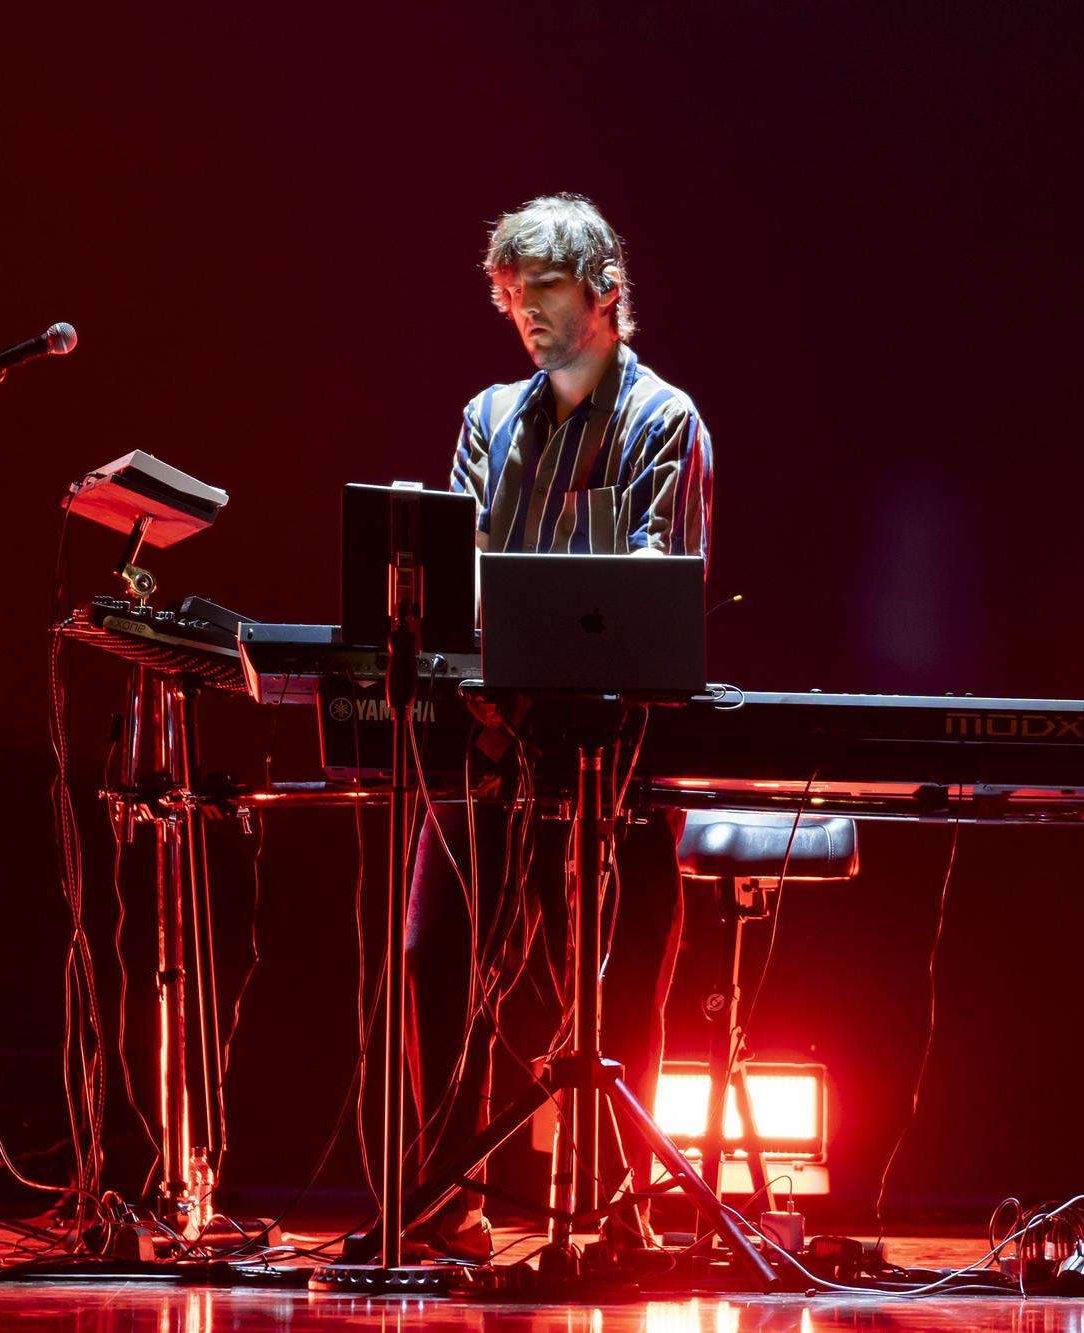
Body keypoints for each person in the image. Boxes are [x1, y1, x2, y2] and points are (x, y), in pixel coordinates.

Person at [402, 194, 713, 1261]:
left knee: (612, 977)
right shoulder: (487, 417)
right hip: (492, 737)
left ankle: (615, 1202)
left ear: (602, 295)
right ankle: (451, 1201)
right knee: (430, 948)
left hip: (606, 752)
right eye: (506, 294)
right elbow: (459, 580)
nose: (520, 313)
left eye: (539, 290)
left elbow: (650, 588)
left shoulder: (663, 419)